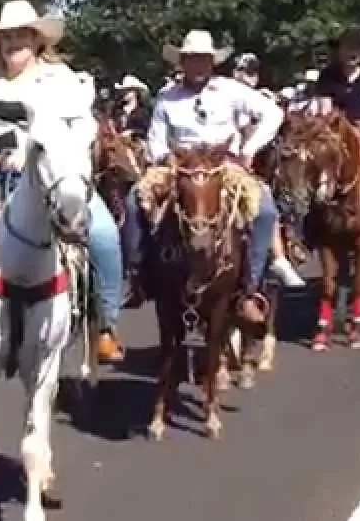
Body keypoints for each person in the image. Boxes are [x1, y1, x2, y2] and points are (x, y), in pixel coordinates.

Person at [0, 0, 127, 362]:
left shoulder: (61, 80)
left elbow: (84, 124)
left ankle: (107, 327)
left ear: (37, 40)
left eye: (22, 36)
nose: (14, 42)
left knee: (104, 237)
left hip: (53, 175)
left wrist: (43, 153)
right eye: (7, 37)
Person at [125, 30, 305, 324]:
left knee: (264, 209)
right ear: (182, 63)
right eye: (191, 60)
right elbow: (156, 139)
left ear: (212, 63)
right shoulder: (167, 97)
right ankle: (138, 276)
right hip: (179, 165)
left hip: (224, 164)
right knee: (135, 201)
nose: (197, 66)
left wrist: (249, 149)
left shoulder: (231, 90)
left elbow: (273, 114)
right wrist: (163, 156)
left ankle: (250, 289)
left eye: (203, 60)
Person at [313, 29, 360, 127]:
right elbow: (325, 110)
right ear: (339, 50)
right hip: (340, 130)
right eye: (347, 47)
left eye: (356, 48)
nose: (352, 52)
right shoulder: (328, 75)